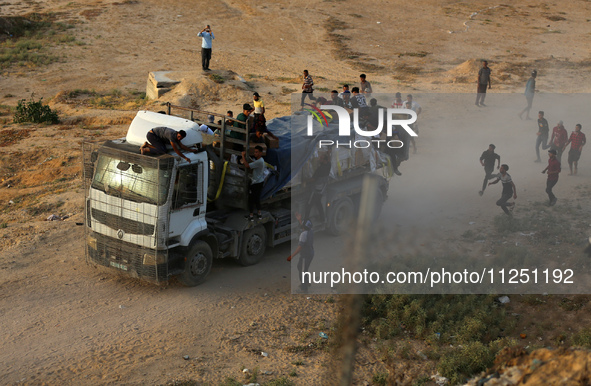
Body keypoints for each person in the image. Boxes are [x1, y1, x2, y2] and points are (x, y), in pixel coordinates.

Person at [287, 213, 314, 292]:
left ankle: (304, 287)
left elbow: (299, 247)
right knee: (305, 269)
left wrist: (292, 256)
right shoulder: (310, 231)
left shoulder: (303, 235)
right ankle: (307, 282)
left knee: (302, 270)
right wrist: (299, 220)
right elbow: (304, 227)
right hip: (311, 253)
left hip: (305, 255)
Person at [303, 150, 332, 222]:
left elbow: (313, 179)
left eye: (321, 158)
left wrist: (305, 180)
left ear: (324, 160)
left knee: (309, 204)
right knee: (318, 203)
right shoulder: (328, 165)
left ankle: (306, 220)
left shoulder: (320, 169)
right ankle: (322, 218)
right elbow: (329, 160)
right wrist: (328, 154)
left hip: (316, 190)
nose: (319, 159)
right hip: (322, 189)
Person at [242, 146, 265, 221]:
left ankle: (251, 215)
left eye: (257, 152)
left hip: (255, 183)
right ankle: (259, 214)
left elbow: (247, 165)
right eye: (254, 152)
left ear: (260, 153)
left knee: (251, 199)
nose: (255, 153)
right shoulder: (260, 160)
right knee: (257, 199)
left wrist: (242, 156)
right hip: (260, 182)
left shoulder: (259, 161)